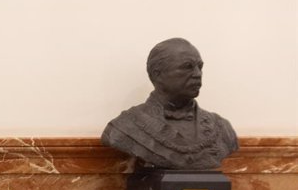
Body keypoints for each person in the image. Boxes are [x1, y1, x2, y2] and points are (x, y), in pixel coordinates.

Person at [101, 38, 238, 170]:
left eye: (200, 67)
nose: (197, 74)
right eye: (187, 67)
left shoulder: (222, 128)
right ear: (157, 74)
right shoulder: (125, 127)